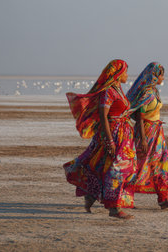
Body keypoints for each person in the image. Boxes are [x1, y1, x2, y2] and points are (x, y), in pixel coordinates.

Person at [63, 59, 136, 219]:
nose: (127, 75)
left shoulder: (119, 90)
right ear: (117, 74)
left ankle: (90, 195)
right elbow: (103, 116)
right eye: (125, 72)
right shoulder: (108, 91)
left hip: (123, 136)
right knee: (117, 169)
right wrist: (110, 140)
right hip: (113, 135)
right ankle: (114, 208)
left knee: (103, 166)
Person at [126, 62, 168, 209]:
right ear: (155, 76)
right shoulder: (145, 93)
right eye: (161, 75)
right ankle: (125, 199)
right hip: (146, 133)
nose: (163, 78)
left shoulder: (154, 91)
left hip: (157, 134)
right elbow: (139, 117)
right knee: (140, 164)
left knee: (161, 165)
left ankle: (163, 199)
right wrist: (143, 139)